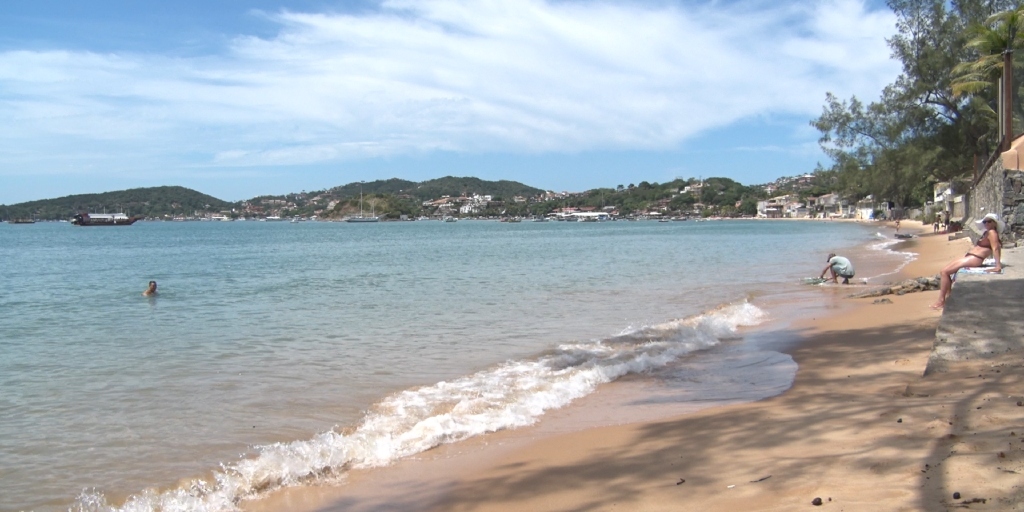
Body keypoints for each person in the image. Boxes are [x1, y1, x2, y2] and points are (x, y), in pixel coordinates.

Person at [931, 213, 1003, 309]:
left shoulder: (992, 233)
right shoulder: (987, 232)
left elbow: (996, 248)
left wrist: (998, 266)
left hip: (975, 258)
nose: (986, 223)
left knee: (944, 272)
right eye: (985, 221)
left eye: (989, 221)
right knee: (945, 271)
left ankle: (941, 301)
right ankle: (948, 298)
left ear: (995, 223)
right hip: (971, 257)